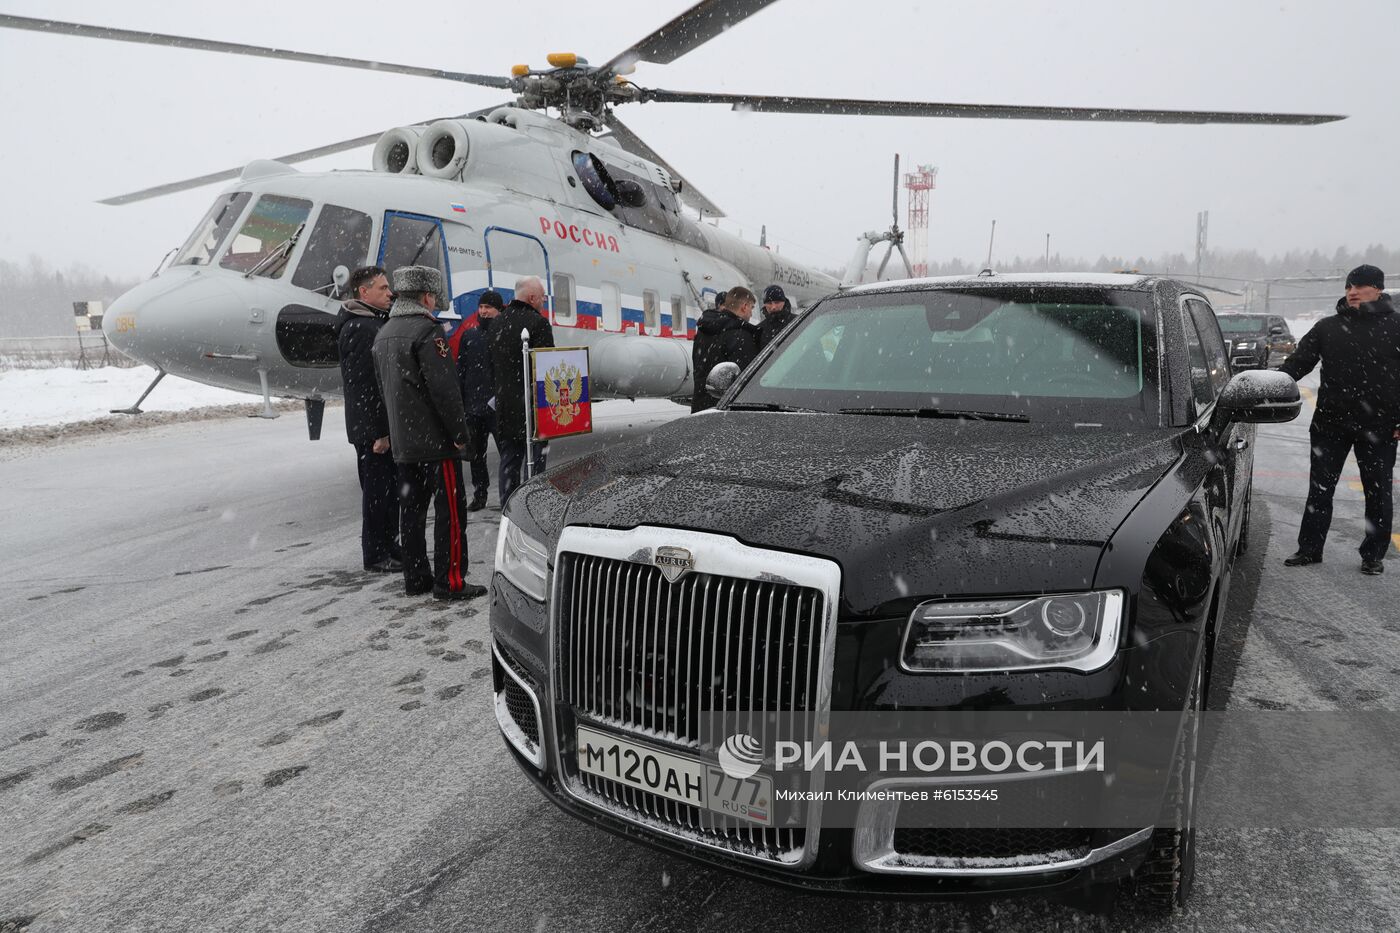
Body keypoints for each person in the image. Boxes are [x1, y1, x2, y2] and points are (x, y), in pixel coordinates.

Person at [371, 265, 485, 600]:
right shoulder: (428, 332)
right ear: (425, 296)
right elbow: (445, 391)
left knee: (412, 513)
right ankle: (449, 582)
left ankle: (416, 577)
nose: (435, 302)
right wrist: (460, 435)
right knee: (450, 513)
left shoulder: (384, 333)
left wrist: (389, 433)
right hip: (436, 443)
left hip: (405, 445)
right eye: (433, 296)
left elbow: (381, 391)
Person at [1278, 264, 1400, 575]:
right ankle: (1309, 549)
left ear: (1378, 290)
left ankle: (1373, 555)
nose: (1352, 292)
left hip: (1381, 426)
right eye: (1348, 287)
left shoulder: (1397, 326)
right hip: (1330, 424)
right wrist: (1270, 385)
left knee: (1378, 492)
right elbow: (1297, 364)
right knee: (1319, 490)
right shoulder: (1327, 327)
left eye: (1360, 286)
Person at [335, 265, 401, 573]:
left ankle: (389, 545)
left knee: (387, 491)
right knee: (377, 494)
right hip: (373, 432)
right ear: (364, 292)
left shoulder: (372, 323)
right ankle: (376, 554)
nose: (390, 293)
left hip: (378, 427)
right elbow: (365, 386)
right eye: (383, 288)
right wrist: (379, 433)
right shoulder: (361, 328)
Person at [489, 276, 555, 503]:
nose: (543, 302)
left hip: (506, 407)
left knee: (509, 461)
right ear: (532, 297)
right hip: (533, 407)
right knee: (535, 464)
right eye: (542, 298)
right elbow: (549, 369)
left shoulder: (497, 322)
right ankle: (533, 507)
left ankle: (508, 507)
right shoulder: (538, 323)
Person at [457, 290, 503, 511]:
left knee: (507, 454)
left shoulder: (505, 334)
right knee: (476, 456)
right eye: (481, 307)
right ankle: (480, 494)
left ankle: (509, 494)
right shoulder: (470, 336)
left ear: (498, 310)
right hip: (474, 408)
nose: (483, 311)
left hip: (498, 408)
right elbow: (461, 371)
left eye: (488, 307)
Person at [691, 285, 760, 412]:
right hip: (726, 412)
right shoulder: (741, 336)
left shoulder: (703, 331)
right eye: (751, 307)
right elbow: (747, 380)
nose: (751, 313)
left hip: (700, 407)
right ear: (744, 307)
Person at [757, 284, 797, 349]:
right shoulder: (759, 331)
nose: (773, 307)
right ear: (765, 304)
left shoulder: (798, 322)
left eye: (777, 302)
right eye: (769, 303)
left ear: (784, 302)